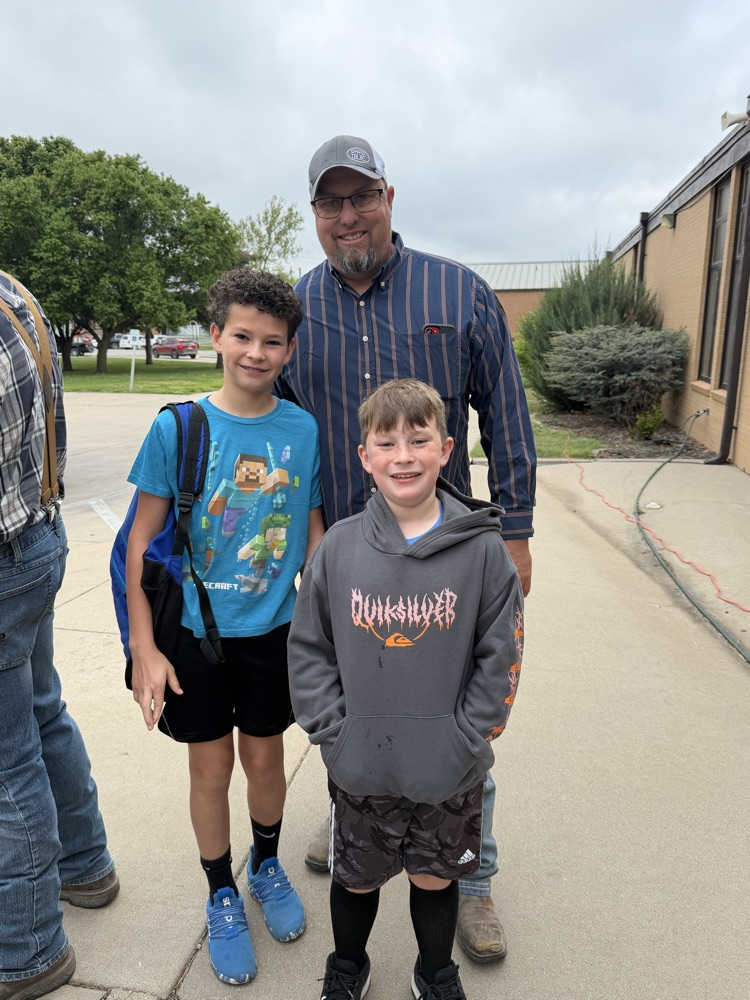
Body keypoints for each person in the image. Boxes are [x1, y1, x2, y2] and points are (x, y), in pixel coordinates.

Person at [276, 133, 536, 962]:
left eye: (362, 197)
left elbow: (507, 412)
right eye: (331, 202)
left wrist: (518, 529)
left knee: (457, 711)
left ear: (390, 196)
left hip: (443, 557)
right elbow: (275, 427)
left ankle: (474, 877)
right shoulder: (296, 308)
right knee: (356, 693)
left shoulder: (457, 292)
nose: (347, 215)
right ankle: (359, 807)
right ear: (315, 213)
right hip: (345, 560)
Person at [288, 378, 525, 1000]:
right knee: (357, 879)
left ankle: (434, 973)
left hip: (448, 767)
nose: (404, 455)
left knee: (434, 878)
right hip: (360, 760)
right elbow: (310, 648)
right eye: (387, 442)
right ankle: (347, 967)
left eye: (419, 440)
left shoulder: (483, 554)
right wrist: (334, 735)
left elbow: (500, 658)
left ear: (446, 448)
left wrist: (467, 738)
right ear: (364, 456)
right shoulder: (339, 548)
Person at [127, 268, 325, 985]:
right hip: (195, 640)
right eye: (242, 335)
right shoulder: (176, 427)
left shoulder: (302, 431)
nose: (255, 352)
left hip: (273, 634)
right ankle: (220, 890)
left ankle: (265, 863)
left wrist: (333, 629)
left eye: (273, 341)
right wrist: (144, 648)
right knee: (210, 771)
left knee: (266, 762)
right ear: (216, 335)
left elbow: (316, 534)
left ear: (290, 350)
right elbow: (137, 545)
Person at [0, 271, 119, 1000]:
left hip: (7, 554)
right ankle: (86, 865)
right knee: (42, 716)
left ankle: (27, 946)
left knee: (7, 759)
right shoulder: (13, 290)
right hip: (36, 538)